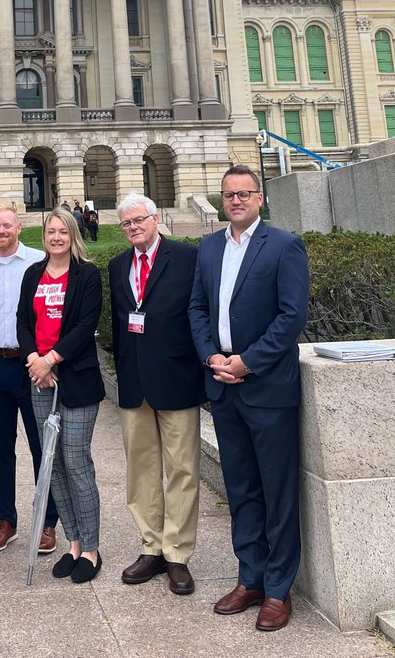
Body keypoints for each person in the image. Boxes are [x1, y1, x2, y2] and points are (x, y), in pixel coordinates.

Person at [188, 164, 310, 633]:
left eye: (243, 193)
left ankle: (279, 589)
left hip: (266, 389)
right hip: (223, 387)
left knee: (277, 492)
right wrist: (212, 357)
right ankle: (251, 577)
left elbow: (291, 316)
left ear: (259, 198)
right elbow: (198, 308)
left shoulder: (283, 246)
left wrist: (247, 361)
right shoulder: (210, 247)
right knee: (241, 489)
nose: (235, 201)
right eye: (228, 195)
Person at [110, 193, 204, 595]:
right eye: (126, 223)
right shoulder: (117, 266)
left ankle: (177, 554)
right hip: (135, 383)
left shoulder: (185, 258)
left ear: (155, 219)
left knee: (182, 469)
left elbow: (199, 313)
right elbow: (117, 324)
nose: (133, 228)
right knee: (142, 469)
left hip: (177, 377)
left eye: (139, 220)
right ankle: (151, 546)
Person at [17, 207, 105, 584]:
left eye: (63, 232)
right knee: (51, 464)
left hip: (76, 379)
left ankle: (92, 548)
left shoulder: (86, 274)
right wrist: (34, 359)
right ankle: (72, 541)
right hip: (41, 380)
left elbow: (86, 324)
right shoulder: (32, 274)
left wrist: (51, 358)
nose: (56, 238)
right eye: (51, 231)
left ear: (73, 236)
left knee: (75, 461)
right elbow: (22, 320)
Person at [0, 204, 57, 556]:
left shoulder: (39, 262)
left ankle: (48, 521)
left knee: (43, 447)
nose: (2, 231)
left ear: (19, 227)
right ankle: (6, 519)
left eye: (7, 225)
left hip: (34, 365)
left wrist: (46, 360)